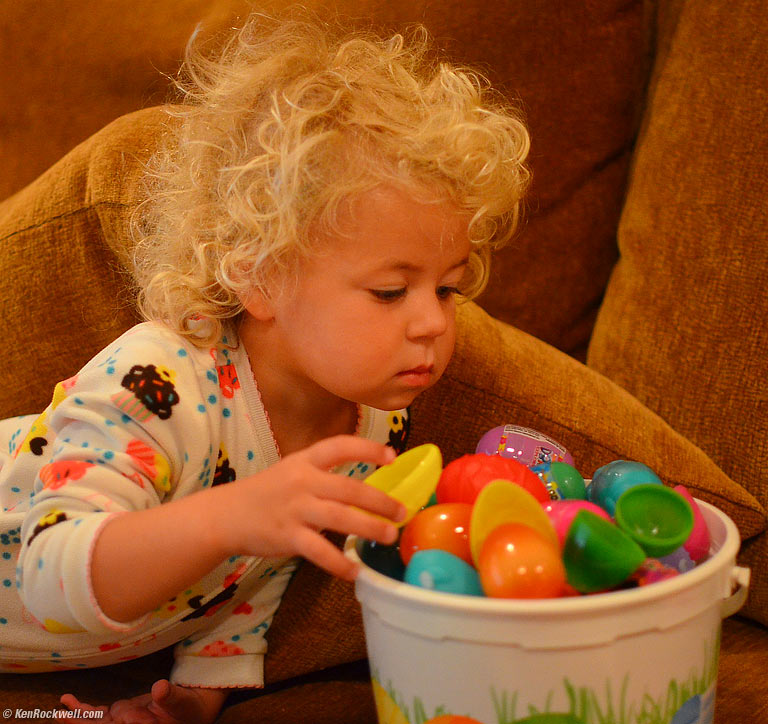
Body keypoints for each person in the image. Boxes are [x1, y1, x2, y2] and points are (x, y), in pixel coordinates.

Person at [0, 12, 530, 723]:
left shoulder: (375, 418)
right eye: (389, 291)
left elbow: (255, 571)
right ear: (259, 279)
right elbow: (49, 573)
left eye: (448, 288)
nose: (433, 321)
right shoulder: (156, 385)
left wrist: (197, 691)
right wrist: (234, 515)